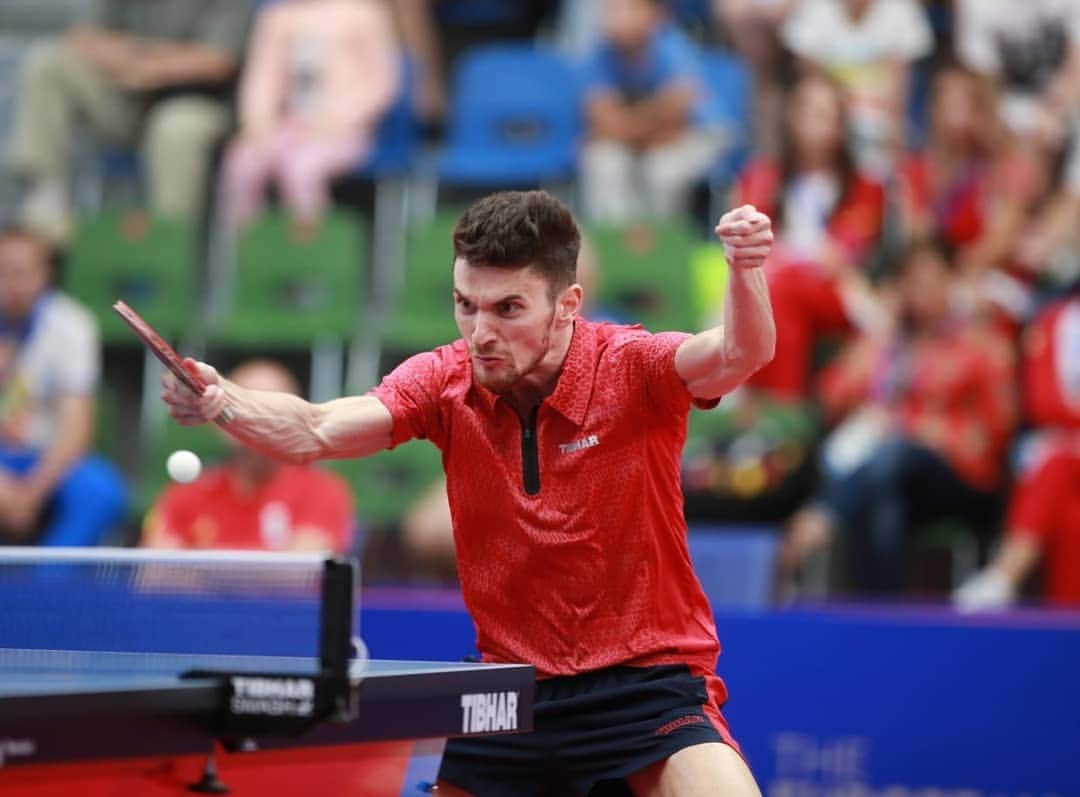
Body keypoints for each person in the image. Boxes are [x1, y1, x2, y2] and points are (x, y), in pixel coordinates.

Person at [161, 189, 775, 795]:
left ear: (568, 304)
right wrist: (224, 402)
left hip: (644, 683)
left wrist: (745, 270)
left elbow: (739, 352)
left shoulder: (631, 366)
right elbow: (316, 429)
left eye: (508, 309)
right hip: (509, 691)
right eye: (465, 305)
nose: (481, 332)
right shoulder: (444, 381)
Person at [781, 240, 1016, 594]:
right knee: (883, 499)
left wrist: (919, 429)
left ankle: (822, 514)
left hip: (963, 478)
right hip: (892, 478)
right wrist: (880, 336)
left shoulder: (982, 343)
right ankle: (881, 618)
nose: (919, 292)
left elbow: (996, 433)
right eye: (911, 282)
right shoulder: (891, 343)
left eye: (930, 280)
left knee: (895, 455)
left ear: (952, 282)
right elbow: (831, 398)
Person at [4, 0, 253, 244]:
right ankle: (46, 198)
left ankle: (169, 242)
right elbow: (83, 37)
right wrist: (140, 60)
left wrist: (150, 69)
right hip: (127, 99)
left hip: (197, 103)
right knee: (47, 64)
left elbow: (217, 61)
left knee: (176, 129)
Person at [222, 0, 400, 232]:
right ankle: (246, 242)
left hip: (348, 132)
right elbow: (262, 78)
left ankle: (309, 247)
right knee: (242, 163)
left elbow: (381, 84)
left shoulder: (364, 13)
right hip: (288, 127)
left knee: (302, 168)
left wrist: (339, 120)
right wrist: (258, 122)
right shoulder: (277, 17)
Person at [143, 359, 355, 554]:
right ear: (216, 422)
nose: (256, 421)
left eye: (270, 410)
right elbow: (153, 571)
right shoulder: (185, 494)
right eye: (242, 408)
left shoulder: (322, 491)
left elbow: (304, 571)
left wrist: (201, 565)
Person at [0, 227, 127, 546]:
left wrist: (31, 494)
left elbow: (76, 430)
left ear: (46, 274)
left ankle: (49, 584)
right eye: (1, 272)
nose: (10, 284)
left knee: (101, 491)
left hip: (46, 457)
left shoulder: (72, 325)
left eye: (21, 272)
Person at [954, 294, 1080, 609]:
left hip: (1065, 447)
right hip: (1067, 448)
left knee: (1057, 459)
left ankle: (1005, 575)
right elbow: (1043, 402)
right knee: (1068, 512)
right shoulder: (1057, 320)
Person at [581, 0, 728, 223]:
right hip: (642, 141)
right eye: (611, 9)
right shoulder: (600, 54)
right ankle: (613, 250)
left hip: (704, 134)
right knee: (602, 161)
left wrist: (625, 125)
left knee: (663, 170)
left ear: (655, 15)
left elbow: (676, 125)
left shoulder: (672, 48)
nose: (616, 18)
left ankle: (660, 254)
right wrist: (654, 114)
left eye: (628, 9)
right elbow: (603, 121)